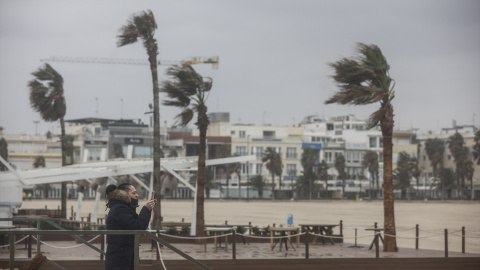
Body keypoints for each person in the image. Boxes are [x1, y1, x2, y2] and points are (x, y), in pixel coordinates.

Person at [105, 183, 156, 270]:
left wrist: (147, 209)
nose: (137, 195)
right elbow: (137, 227)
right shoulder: (120, 208)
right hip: (120, 256)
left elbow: (140, 227)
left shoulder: (123, 207)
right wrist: (146, 209)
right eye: (134, 193)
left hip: (123, 254)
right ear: (124, 194)